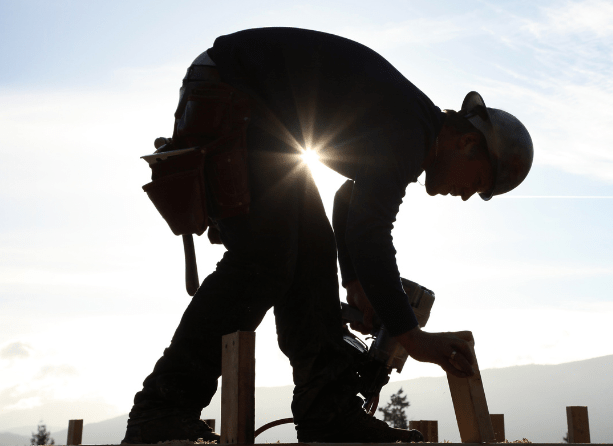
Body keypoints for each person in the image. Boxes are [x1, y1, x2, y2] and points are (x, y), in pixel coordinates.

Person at [123, 27, 533, 444]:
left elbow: (347, 197)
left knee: (313, 252)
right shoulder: (410, 131)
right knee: (267, 254)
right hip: (232, 90)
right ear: (466, 142)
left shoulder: (412, 125)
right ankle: (163, 408)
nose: (465, 195)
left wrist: (353, 280)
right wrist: (412, 337)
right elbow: (371, 232)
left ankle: (328, 412)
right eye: (476, 181)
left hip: (260, 112)